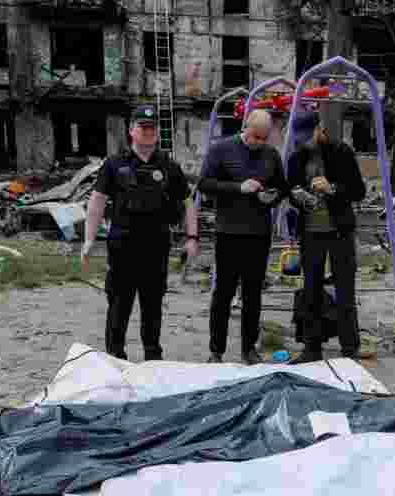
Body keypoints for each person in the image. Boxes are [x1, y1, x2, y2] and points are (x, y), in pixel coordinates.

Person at [80, 104, 197, 361]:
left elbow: (187, 202)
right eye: (142, 127)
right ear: (131, 130)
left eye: (152, 128)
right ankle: (115, 357)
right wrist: (89, 239)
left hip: (156, 245)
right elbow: (97, 201)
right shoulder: (115, 164)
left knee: (153, 305)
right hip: (123, 244)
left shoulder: (168, 166)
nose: (148, 132)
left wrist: (192, 237)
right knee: (119, 304)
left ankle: (153, 358)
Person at [197, 109, 288, 365]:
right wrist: (239, 187)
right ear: (245, 128)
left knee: (253, 295)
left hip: (259, 234)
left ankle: (249, 348)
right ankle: (216, 350)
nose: (258, 142)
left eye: (263, 138)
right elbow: (204, 183)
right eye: (255, 137)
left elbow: (282, 187)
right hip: (228, 232)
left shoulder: (271, 155)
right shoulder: (221, 149)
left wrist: (272, 196)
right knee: (223, 294)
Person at [285, 111, 366, 364]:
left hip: (340, 231)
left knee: (345, 290)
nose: (302, 143)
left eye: (306, 138)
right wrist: (298, 197)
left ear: (319, 129)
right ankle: (311, 348)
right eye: (298, 139)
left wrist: (331, 188)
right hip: (311, 233)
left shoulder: (341, 152)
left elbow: (358, 191)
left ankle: (349, 350)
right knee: (311, 291)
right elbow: (291, 189)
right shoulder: (297, 156)